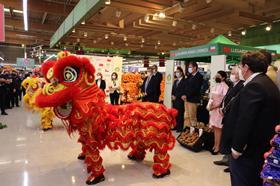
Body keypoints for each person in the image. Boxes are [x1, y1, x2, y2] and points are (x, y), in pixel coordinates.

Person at [223, 52, 280, 186]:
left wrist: (237, 148)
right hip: (260, 148)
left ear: (246, 67)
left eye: (240, 66)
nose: (239, 69)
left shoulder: (255, 86)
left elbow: (246, 119)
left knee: (242, 180)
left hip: (249, 152)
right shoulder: (266, 83)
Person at [214, 67, 244, 172]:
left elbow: (234, 101)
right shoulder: (232, 85)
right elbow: (227, 98)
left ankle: (231, 164)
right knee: (226, 136)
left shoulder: (241, 85)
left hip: (232, 115)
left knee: (231, 137)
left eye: (233, 73)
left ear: (239, 74)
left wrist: (225, 110)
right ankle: (226, 159)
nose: (231, 75)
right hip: (226, 114)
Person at [207, 71, 228, 155]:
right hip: (213, 110)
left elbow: (224, 101)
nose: (216, 77)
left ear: (223, 78)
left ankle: (218, 147)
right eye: (216, 75)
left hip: (219, 110)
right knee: (215, 128)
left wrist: (214, 107)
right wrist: (209, 106)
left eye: (218, 76)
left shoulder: (225, 87)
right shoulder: (216, 86)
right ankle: (215, 145)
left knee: (219, 129)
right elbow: (212, 98)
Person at [181, 62, 203, 127]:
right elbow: (185, 86)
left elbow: (196, 89)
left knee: (192, 117)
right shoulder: (189, 76)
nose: (189, 69)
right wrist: (183, 94)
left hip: (193, 99)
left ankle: (193, 132)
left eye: (190, 67)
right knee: (186, 116)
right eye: (188, 67)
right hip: (186, 99)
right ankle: (186, 130)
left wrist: (186, 95)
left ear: (195, 67)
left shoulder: (199, 76)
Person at [171, 67, 186, 132]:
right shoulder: (175, 81)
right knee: (175, 114)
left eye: (178, 72)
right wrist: (172, 95)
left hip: (180, 100)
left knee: (180, 114)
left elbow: (183, 91)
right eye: (176, 72)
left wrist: (176, 96)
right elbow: (173, 90)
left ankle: (180, 127)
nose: (177, 73)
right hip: (174, 100)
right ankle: (175, 126)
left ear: (181, 73)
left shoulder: (184, 81)